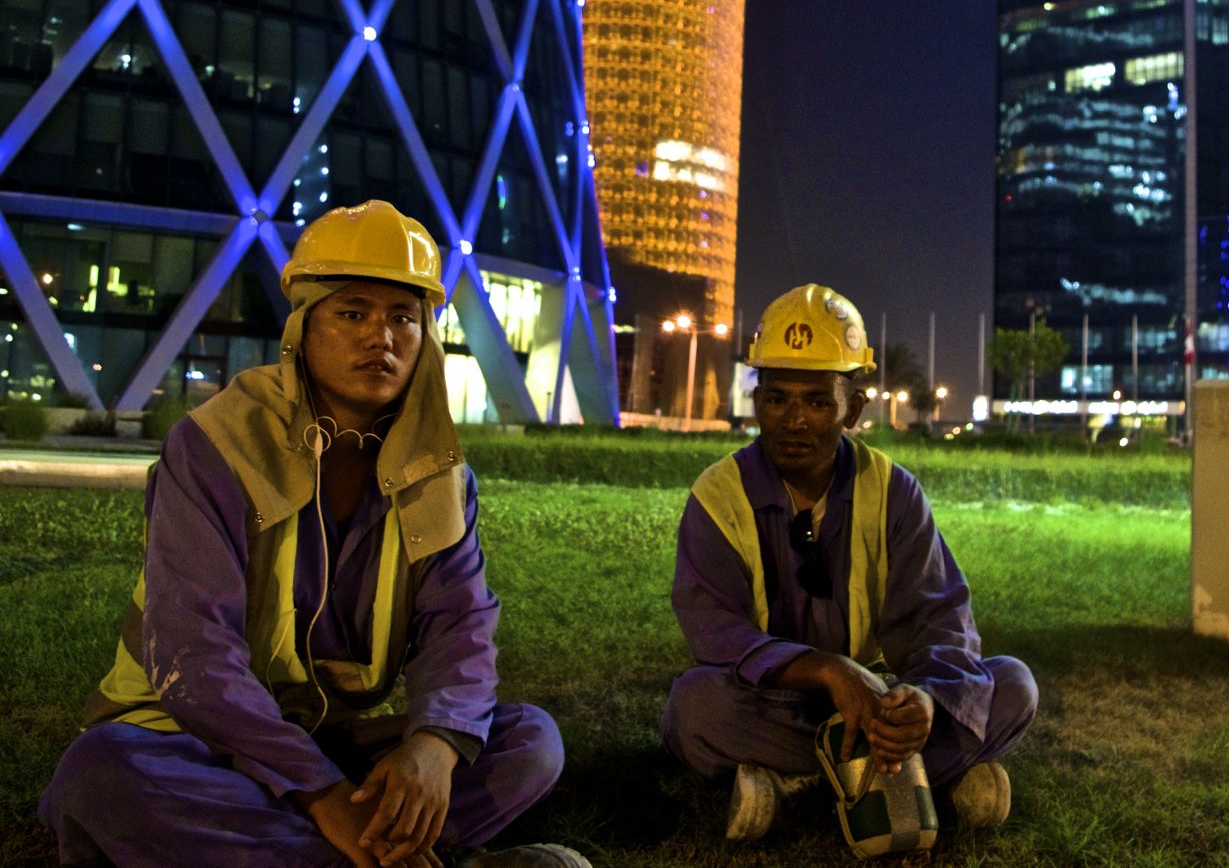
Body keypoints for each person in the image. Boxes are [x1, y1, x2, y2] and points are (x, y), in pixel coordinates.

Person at [41, 201, 588, 868]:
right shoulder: (216, 445)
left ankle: (310, 849)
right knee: (103, 772)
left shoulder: (442, 475)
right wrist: (321, 792)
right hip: (196, 736)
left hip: (330, 734)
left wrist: (434, 745)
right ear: (303, 327)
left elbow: (460, 626)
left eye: (403, 318)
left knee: (529, 742)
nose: (381, 337)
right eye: (352, 313)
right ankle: (404, 854)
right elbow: (197, 657)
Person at [661, 284, 1038, 841]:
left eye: (817, 402)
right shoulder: (718, 496)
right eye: (777, 399)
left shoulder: (892, 491)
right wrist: (827, 670)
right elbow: (715, 632)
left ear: (853, 409)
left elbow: (941, 619)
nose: (794, 421)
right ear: (757, 400)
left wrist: (925, 701)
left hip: (881, 703)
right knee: (694, 709)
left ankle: (795, 789)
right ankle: (918, 784)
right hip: (778, 702)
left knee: (1013, 684)